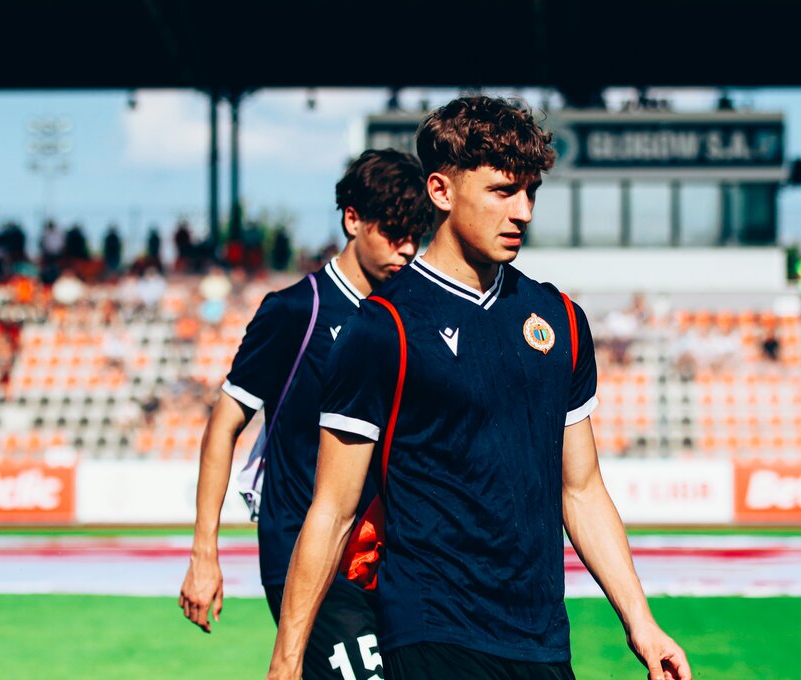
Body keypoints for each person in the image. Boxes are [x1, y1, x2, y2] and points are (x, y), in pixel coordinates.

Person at [267, 97, 690, 680]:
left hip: (542, 640)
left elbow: (582, 490)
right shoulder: (382, 327)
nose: (523, 212)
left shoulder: (561, 320)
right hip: (431, 632)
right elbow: (333, 511)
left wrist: (642, 623)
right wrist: (287, 661)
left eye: (531, 192)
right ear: (441, 191)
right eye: (502, 191)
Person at [178, 149, 432, 678]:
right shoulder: (297, 309)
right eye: (394, 233)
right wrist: (204, 553)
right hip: (304, 555)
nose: (408, 249)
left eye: (416, 236)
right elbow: (225, 425)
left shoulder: (410, 316)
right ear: (353, 219)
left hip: (388, 560)